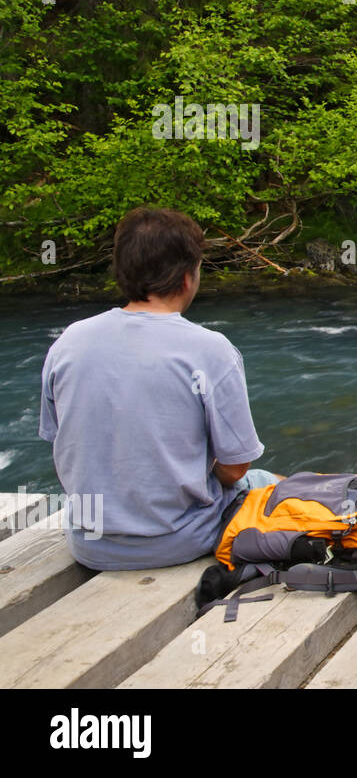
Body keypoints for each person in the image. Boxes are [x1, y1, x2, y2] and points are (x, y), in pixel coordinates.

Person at [38, 207, 278, 570]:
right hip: (178, 541)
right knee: (263, 481)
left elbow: (60, 440)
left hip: (89, 543)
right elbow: (235, 467)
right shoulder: (210, 349)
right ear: (187, 278)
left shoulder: (68, 342)